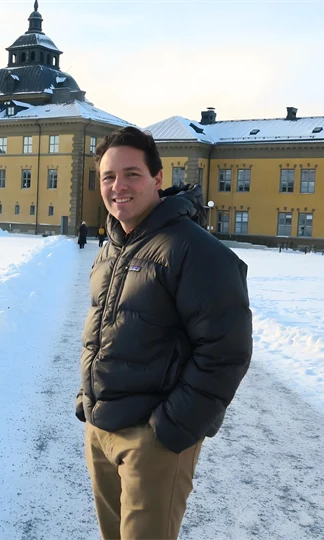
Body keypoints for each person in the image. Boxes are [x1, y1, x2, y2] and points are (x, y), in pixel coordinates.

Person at [76, 126, 252, 540]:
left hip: (152, 441)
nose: (118, 186)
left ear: (157, 179)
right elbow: (105, 328)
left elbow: (227, 352)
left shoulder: (196, 251)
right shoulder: (113, 246)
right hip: (102, 429)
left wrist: (172, 430)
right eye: (108, 176)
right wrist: (88, 397)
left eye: (132, 174)